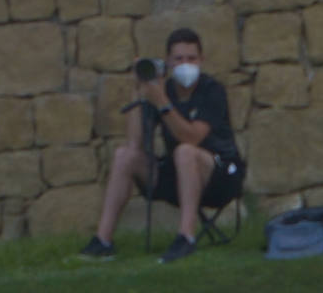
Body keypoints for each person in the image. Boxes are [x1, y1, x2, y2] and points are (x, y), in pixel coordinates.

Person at [80, 27, 243, 264]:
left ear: (202, 60)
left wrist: (162, 103)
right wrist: (138, 94)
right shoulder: (163, 90)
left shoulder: (212, 90)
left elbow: (193, 137)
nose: (185, 64)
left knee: (185, 151)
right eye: (179, 59)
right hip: (178, 175)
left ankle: (186, 237)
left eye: (191, 58)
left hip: (219, 175)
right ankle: (103, 241)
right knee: (125, 155)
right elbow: (136, 142)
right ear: (168, 62)